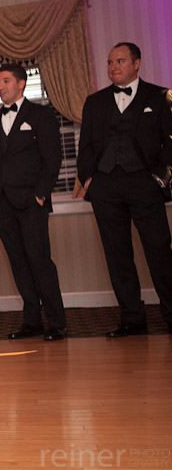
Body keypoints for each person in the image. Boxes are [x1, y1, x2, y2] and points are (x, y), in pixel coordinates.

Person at [77, 42, 172, 337]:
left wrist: (160, 179)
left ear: (136, 63)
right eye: (110, 62)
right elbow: (86, 146)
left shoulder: (160, 97)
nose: (113, 67)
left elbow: (170, 142)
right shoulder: (95, 102)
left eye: (119, 61)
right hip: (106, 186)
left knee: (159, 251)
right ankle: (132, 318)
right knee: (117, 254)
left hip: (145, 184)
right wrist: (89, 180)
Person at [0, 63, 66, 342]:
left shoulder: (41, 115)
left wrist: (41, 193)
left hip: (31, 202)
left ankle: (57, 322)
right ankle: (32, 321)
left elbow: (52, 158)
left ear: (21, 83)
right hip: (2, 203)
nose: (0, 86)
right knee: (17, 261)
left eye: (5, 81)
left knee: (39, 260)